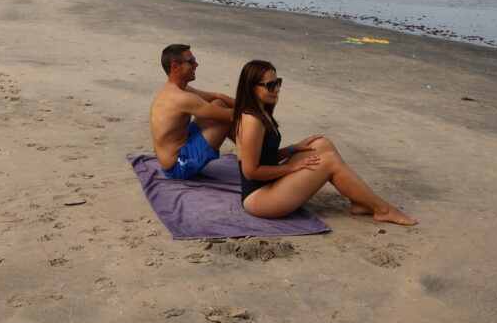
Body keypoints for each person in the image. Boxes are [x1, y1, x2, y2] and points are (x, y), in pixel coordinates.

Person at [233, 59, 417, 225]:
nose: (277, 89)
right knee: (329, 161)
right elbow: (251, 171)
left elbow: (265, 156)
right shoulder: (252, 122)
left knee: (321, 144)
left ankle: (359, 202)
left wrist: (293, 149)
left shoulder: (261, 112)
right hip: (259, 199)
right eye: (270, 86)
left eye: (278, 83)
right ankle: (383, 210)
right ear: (251, 87)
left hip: (270, 184)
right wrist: (292, 168)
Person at [149, 44, 235, 179]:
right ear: (175, 67)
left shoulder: (177, 89)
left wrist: (251, 104)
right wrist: (260, 110)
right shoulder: (181, 98)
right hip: (178, 166)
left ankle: (256, 156)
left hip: (183, 143)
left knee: (219, 104)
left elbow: (217, 97)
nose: (196, 64)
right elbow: (231, 116)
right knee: (225, 119)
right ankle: (257, 159)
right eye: (191, 61)